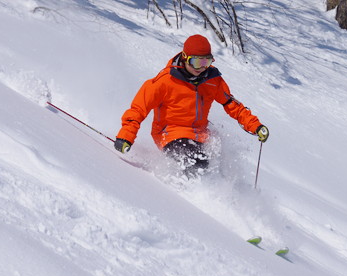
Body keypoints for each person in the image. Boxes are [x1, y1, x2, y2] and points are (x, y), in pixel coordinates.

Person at [114, 34, 269, 174]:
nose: (201, 68)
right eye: (196, 62)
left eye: (206, 62)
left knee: (219, 163)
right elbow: (139, 108)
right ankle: (189, 196)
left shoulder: (212, 80)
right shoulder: (165, 81)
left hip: (200, 133)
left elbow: (231, 104)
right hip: (169, 133)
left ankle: (224, 195)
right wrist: (126, 136)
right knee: (197, 162)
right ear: (185, 58)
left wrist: (255, 125)